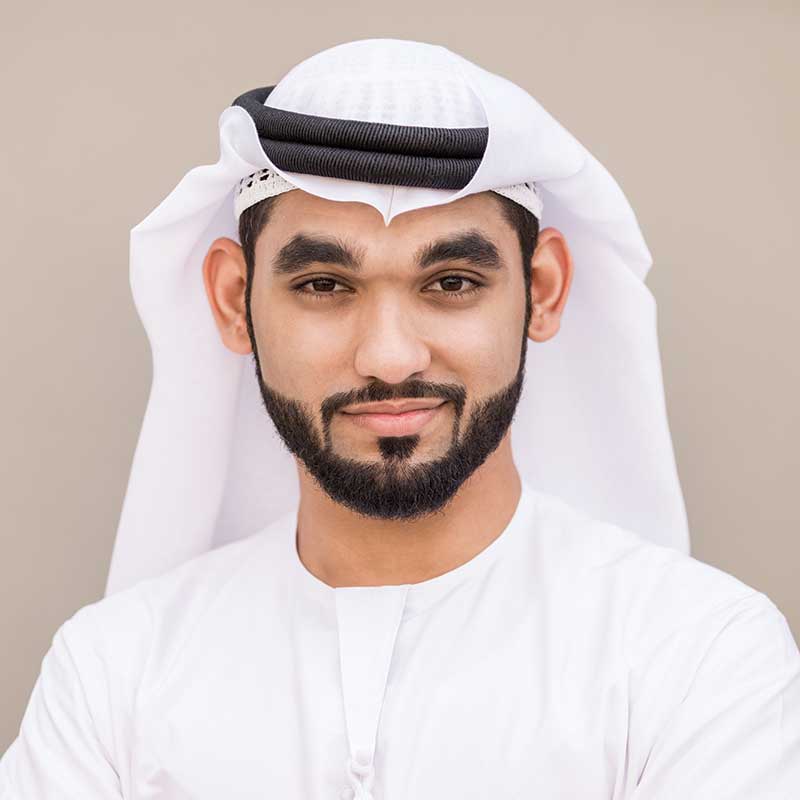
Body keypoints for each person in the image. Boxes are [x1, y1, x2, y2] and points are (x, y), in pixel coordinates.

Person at [2, 38, 798, 799]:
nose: (388, 357)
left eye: (451, 283)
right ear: (233, 301)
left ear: (545, 290)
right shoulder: (112, 676)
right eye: (323, 285)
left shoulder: (698, 658)